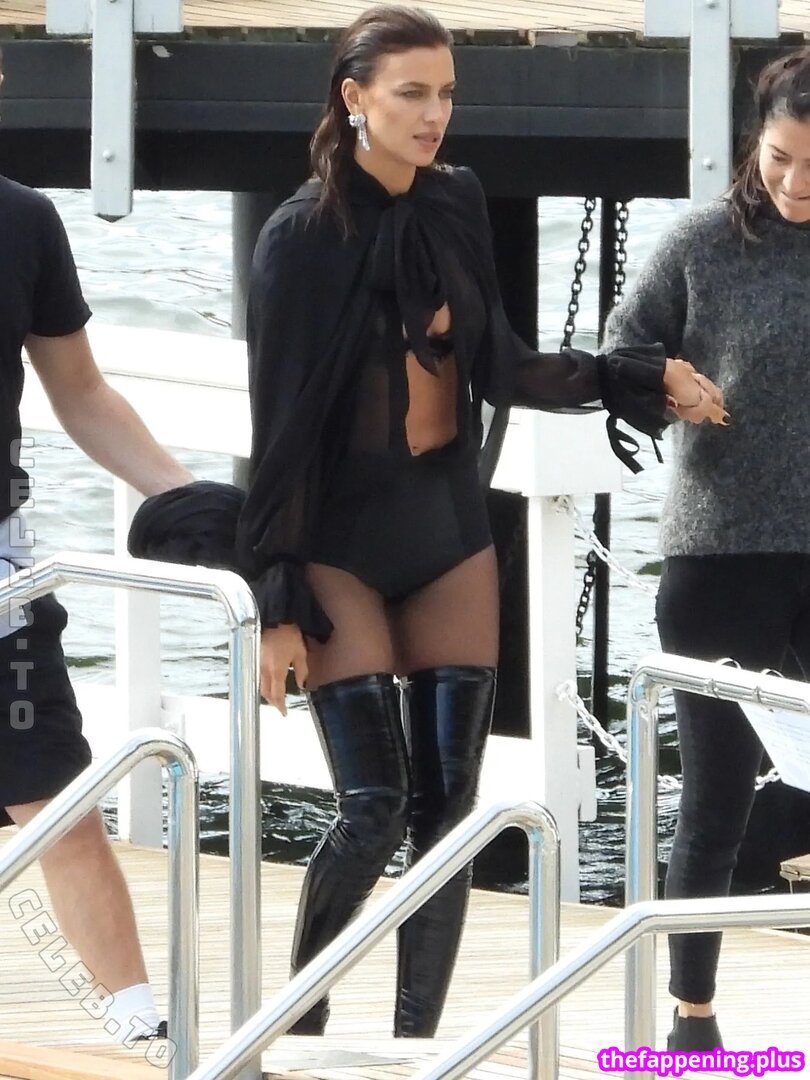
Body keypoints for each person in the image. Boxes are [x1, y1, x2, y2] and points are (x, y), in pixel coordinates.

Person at [236, 4, 724, 1038]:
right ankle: (297, 1025)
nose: (434, 114)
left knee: (449, 814)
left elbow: (502, 365)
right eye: (411, 92)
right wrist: (274, 601)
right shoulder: (299, 238)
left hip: (446, 527)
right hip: (339, 545)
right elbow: (278, 432)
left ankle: (417, 1045)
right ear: (354, 97)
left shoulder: (457, 201)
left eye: (447, 93)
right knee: (373, 806)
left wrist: (636, 377)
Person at [603, 46, 810, 1054]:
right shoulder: (699, 244)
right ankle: (692, 1021)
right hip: (721, 557)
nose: (796, 183)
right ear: (753, 144)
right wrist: (666, 383)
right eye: (780, 158)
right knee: (716, 796)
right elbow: (622, 353)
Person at [0, 49, 194, 1042]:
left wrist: (188, 497)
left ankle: (139, 1029)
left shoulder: (23, 219)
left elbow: (80, 391)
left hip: (0, 584)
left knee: (56, 799)